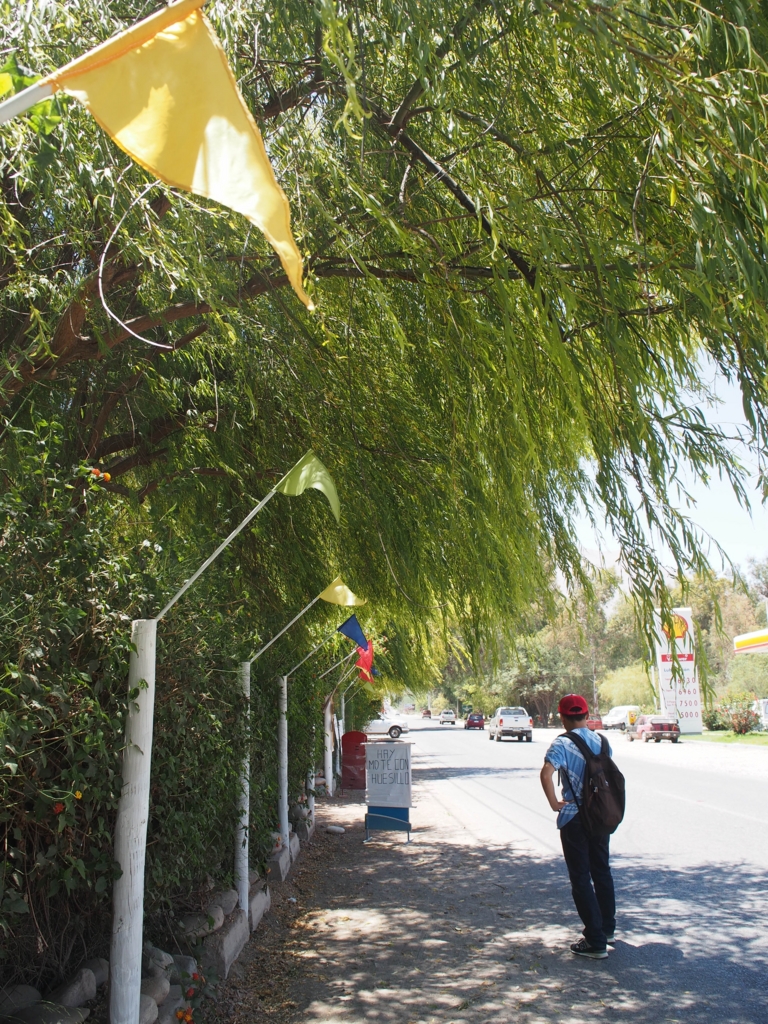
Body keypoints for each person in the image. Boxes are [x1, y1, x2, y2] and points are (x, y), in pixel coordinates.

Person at [540, 693, 616, 959]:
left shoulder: (561, 743)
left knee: (581, 877)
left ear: (562, 717)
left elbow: (546, 773)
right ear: (586, 715)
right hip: (601, 816)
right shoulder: (602, 741)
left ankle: (594, 941)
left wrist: (554, 802)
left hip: (574, 817)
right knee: (602, 870)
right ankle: (607, 929)